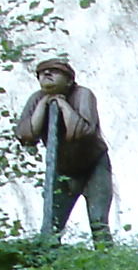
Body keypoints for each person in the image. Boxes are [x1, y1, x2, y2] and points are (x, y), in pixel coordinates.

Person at [15, 58, 113, 246]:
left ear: (69, 80)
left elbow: (82, 132)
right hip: (62, 170)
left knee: (98, 221)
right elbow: (26, 135)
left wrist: (62, 105)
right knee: (51, 226)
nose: (47, 75)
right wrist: (44, 105)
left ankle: (108, 263)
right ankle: (47, 264)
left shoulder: (83, 94)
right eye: (42, 73)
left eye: (54, 71)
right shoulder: (37, 99)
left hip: (94, 165)